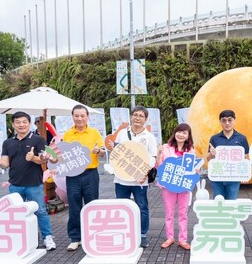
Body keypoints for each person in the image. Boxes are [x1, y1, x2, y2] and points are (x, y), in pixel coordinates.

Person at [0, 111, 56, 250]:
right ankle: (19, 239)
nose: (21, 125)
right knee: (15, 212)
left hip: (34, 183)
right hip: (15, 184)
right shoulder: (7, 142)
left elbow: (45, 159)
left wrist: (33, 158)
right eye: (18, 122)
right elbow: (6, 163)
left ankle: (47, 238)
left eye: (24, 122)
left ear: (30, 123)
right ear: (13, 124)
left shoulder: (38, 140)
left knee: (40, 211)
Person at [106, 105, 157, 248]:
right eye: (135, 115)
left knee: (142, 207)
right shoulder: (122, 133)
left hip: (140, 180)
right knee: (122, 206)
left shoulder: (149, 137)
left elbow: (152, 158)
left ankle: (142, 235)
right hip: (121, 179)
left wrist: (144, 174)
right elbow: (117, 153)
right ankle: (124, 232)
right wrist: (111, 149)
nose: (138, 118)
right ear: (131, 117)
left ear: (146, 119)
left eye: (141, 116)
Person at [63, 105, 105, 251]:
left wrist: (98, 150)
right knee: (74, 206)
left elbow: (102, 152)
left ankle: (92, 235)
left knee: (92, 205)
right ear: (72, 117)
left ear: (88, 117)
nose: (79, 118)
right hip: (72, 175)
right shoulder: (68, 134)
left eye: (82, 115)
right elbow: (63, 154)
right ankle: (75, 238)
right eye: (76, 116)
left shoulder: (94, 133)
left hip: (90, 174)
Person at [155, 123, 195, 250]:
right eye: (179, 131)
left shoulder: (190, 150)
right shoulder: (166, 148)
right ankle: (170, 237)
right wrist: (158, 154)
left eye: (184, 133)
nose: (181, 135)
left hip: (183, 186)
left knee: (183, 213)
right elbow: (159, 166)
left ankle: (183, 239)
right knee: (169, 212)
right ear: (175, 133)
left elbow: (192, 169)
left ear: (188, 136)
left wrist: (196, 171)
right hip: (168, 185)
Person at [206, 110, 249, 200]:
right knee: (218, 203)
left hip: (234, 178)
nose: (227, 123)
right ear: (220, 122)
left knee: (232, 204)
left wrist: (244, 174)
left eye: (230, 120)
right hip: (217, 178)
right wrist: (211, 154)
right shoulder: (214, 138)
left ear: (234, 120)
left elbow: (245, 158)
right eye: (224, 120)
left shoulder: (242, 138)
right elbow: (208, 159)